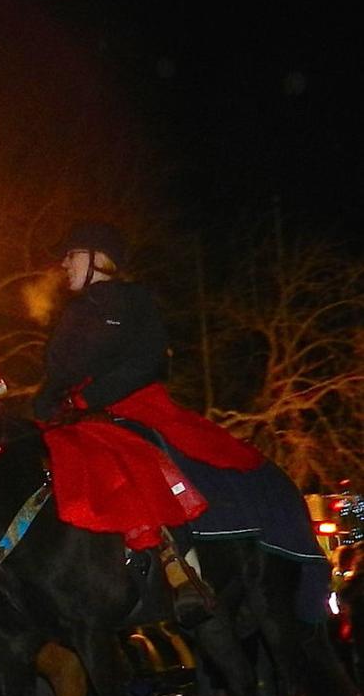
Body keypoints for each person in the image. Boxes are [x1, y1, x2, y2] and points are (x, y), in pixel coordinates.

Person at [32, 221, 266, 622]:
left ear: (97, 259)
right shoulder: (73, 313)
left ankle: (181, 564)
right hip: (75, 414)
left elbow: (146, 361)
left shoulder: (135, 301)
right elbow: (56, 373)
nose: (65, 263)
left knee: (134, 452)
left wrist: (93, 397)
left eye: (72, 255)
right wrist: (42, 405)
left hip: (132, 404)